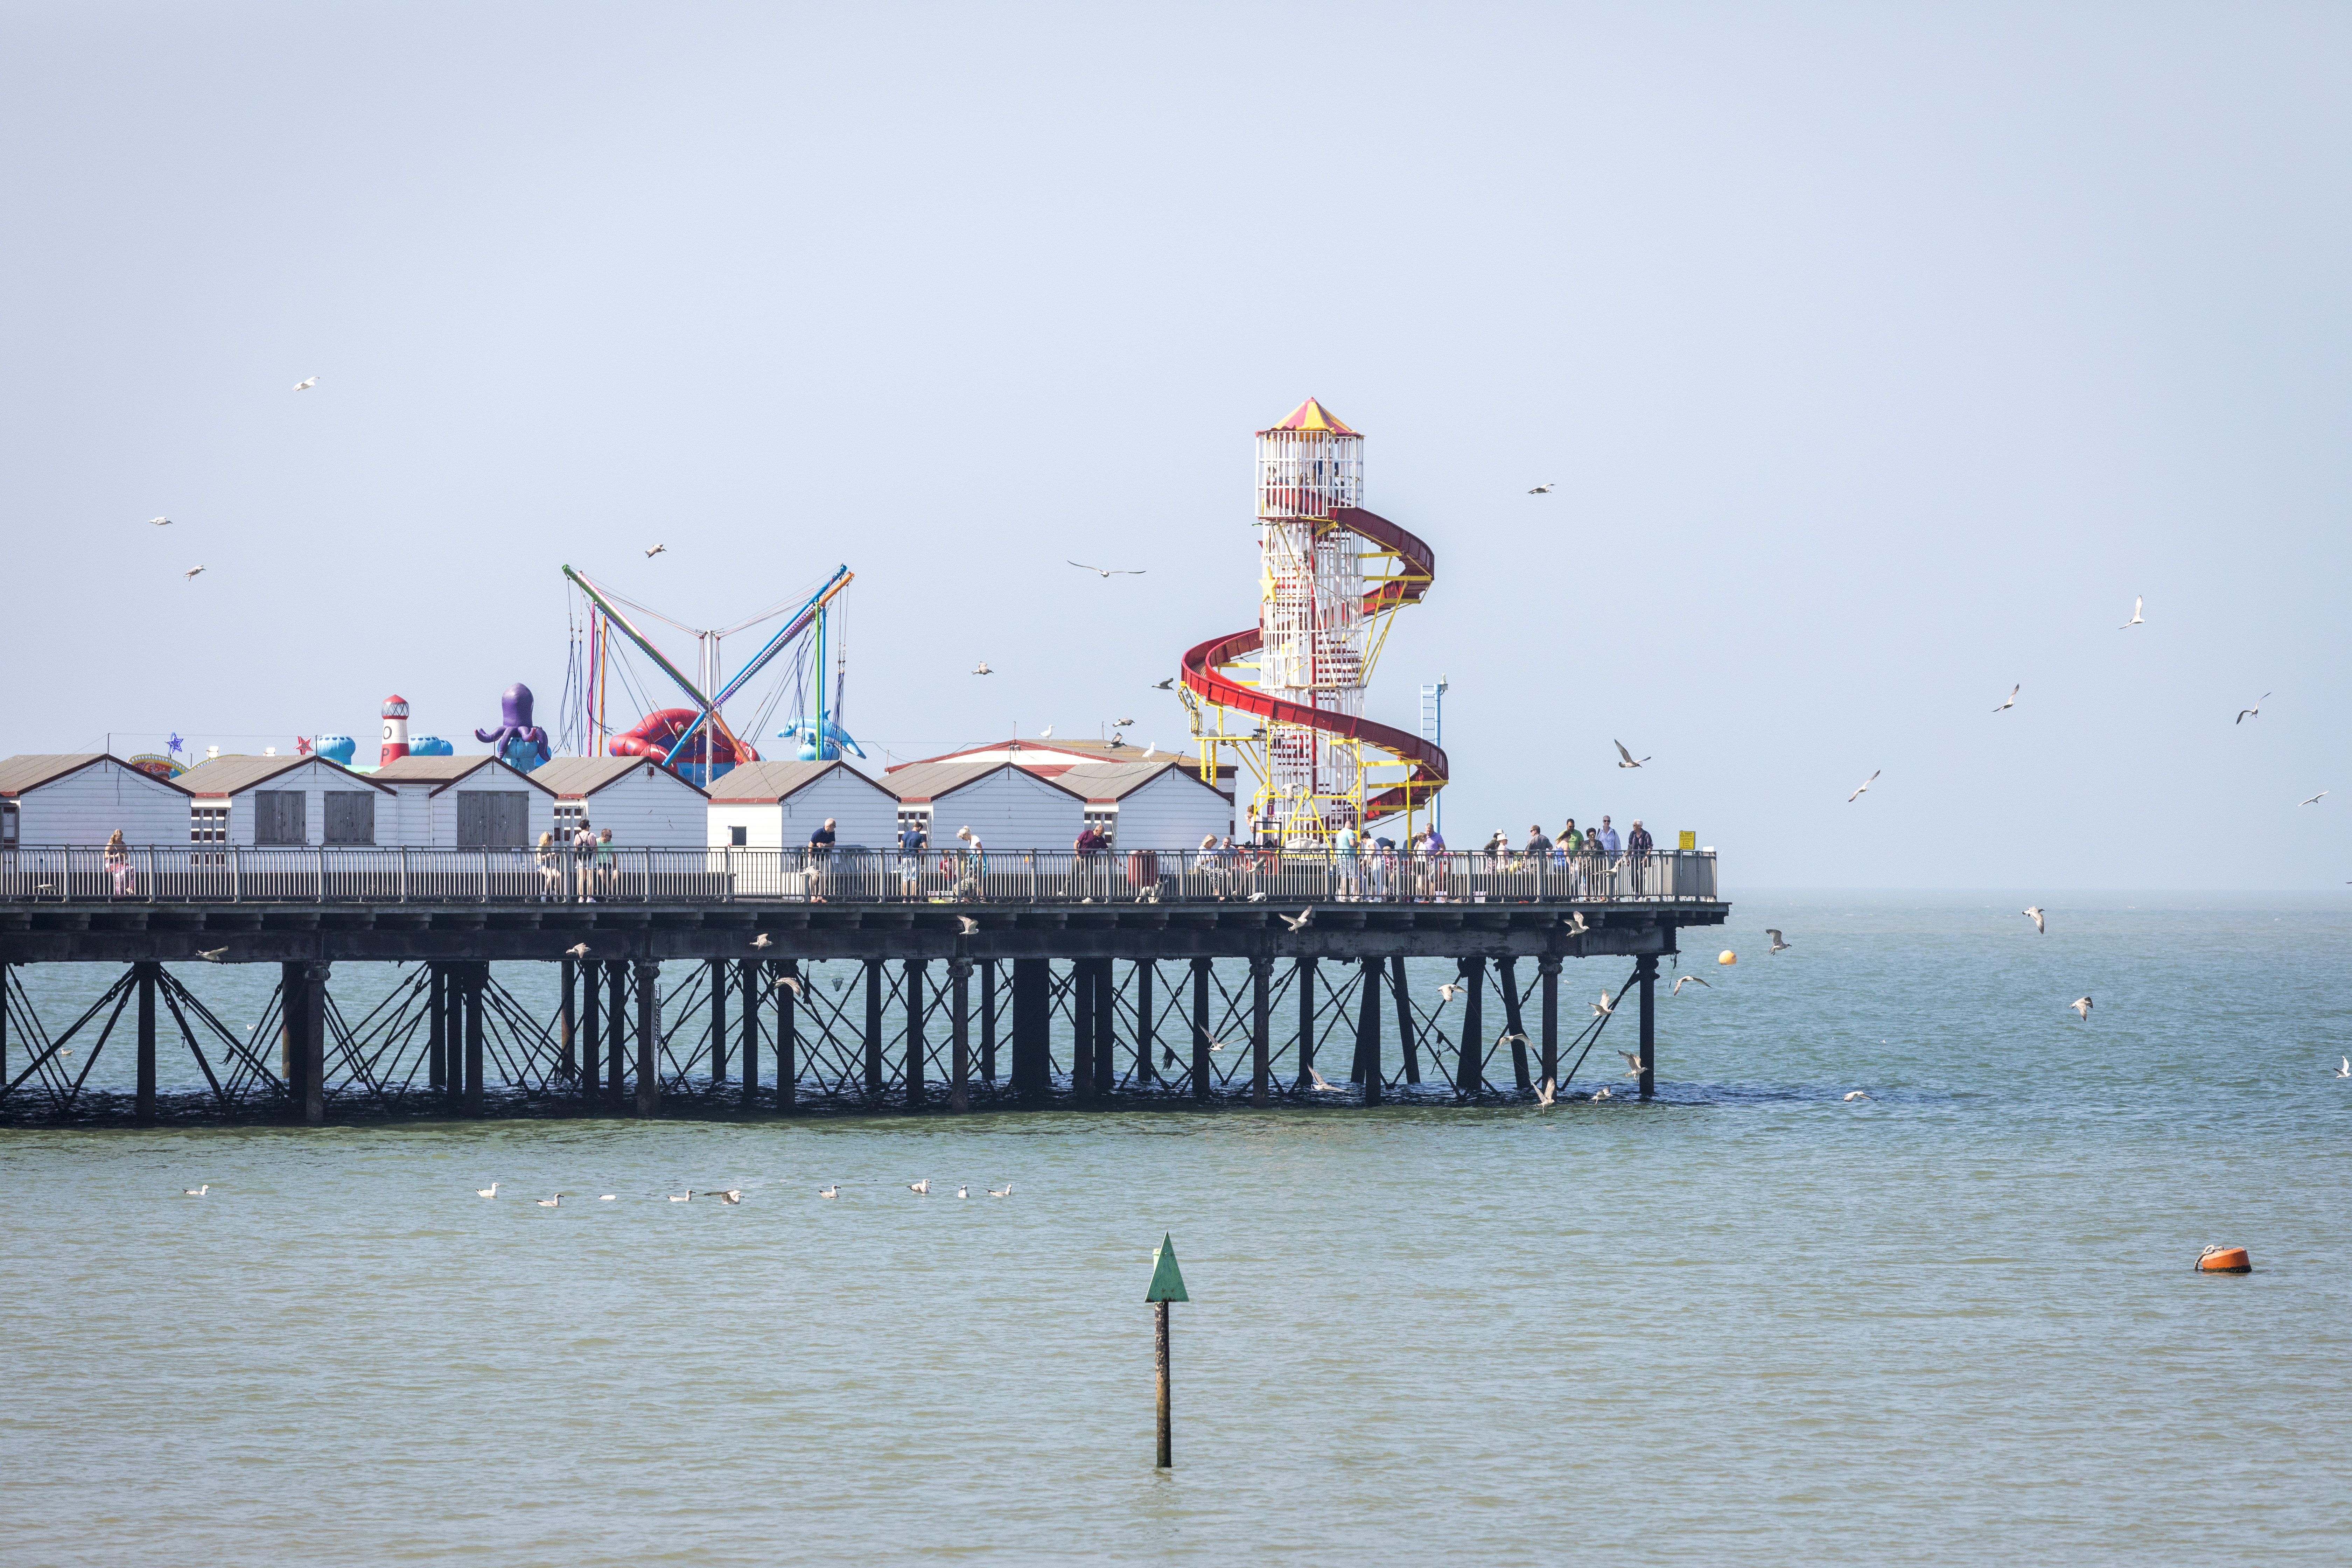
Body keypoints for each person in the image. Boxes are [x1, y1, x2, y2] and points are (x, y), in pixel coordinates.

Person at [897, 817, 929, 898]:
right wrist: (919, 849)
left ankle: (905, 898)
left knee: (905, 878)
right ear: (920, 828)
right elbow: (926, 848)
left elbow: (901, 847)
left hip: (905, 858)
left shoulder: (905, 834)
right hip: (914, 858)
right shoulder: (920, 836)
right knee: (914, 878)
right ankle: (913, 898)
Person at [807, 817, 837, 902]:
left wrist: (824, 845)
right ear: (830, 826)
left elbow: (832, 844)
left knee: (824, 877)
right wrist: (810, 858)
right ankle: (813, 897)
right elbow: (810, 845)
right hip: (814, 858)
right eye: (834, 826)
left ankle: (820, 896)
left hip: (823, 859)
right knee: (814, 877)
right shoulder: (818, 833)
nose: (835, 828)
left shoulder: (832, 833)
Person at [953, 825, 985, 901]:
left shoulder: (975, 838)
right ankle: (967, 896)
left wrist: (979, 862)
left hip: (979, 860)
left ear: (966, 835)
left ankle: (982, 897)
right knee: (967, 876)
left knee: (979, 878)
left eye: (963, 838)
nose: (963, 839)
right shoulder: (969, 840)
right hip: (974, 861)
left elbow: (981, 850)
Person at [1624, 818, 1654, 895]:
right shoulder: (1632, 834)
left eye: (1635, 825)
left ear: (1639, 826)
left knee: (1641, 876)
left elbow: (1650, 846)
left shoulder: (1646, 834)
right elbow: (1629, 846)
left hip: (1642, 858)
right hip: (1633, 858)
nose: (1633, 827)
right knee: (1633, 876)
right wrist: (1627, 858)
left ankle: (1641, 893)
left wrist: (1646, 857)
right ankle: (1636, 891)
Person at [571, 818, 597, 900]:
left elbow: (576, 848)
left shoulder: (577, 836)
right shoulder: (592, 835)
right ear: (587, 827)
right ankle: (589, 898)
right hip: (590, 857)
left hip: (581, 859)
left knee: (581, 878)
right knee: (590, 878)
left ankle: (581, 898)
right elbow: (596, 848)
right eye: (589, 826)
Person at [536, 830, 564, 901]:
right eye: (552, 840)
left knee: (558, 875)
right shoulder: (540, 847)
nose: (553, 842)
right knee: (551, 876)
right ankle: (544, 894)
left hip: (548, 864)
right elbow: (540, 858)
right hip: (541, 864)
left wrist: (555, 856)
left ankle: (555, 893)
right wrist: (548, 855)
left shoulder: (549, 847)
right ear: (548, 840)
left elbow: (549, 857)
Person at [104, 828, 133, 898]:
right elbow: (106, 856)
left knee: (131, 869)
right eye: (118, 839)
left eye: (121, 838)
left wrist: (125, 856)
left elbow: (126, 855)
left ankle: (130, 888)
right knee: (120, 872)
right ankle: (118, 893)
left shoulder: (123, 844)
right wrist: (116, 856)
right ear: (114, 837)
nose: (120, 840)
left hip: (121, 863)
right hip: (111, 863)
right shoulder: (110, 845)